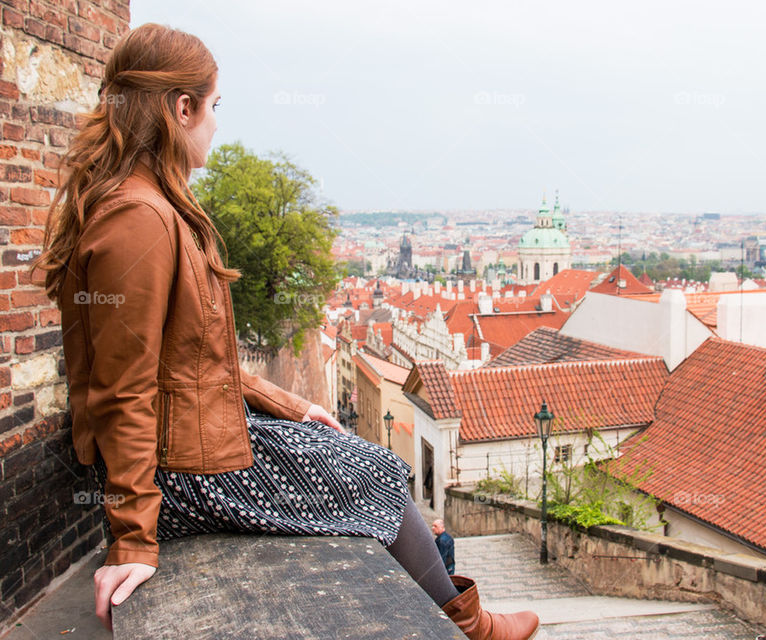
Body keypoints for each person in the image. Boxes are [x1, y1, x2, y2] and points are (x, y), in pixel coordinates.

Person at [33, 23, 539, 640]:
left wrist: (291, 405)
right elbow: (123, 388)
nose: (218, 124)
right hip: (180, 472)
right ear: (181, 108)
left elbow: (192, 364)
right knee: (374, 470)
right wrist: (136, 538)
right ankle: (469, 626)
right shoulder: (140, 216)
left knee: (365, 464)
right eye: (214, 107)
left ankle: (459, 614)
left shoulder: (146, 202)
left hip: (188, 447)